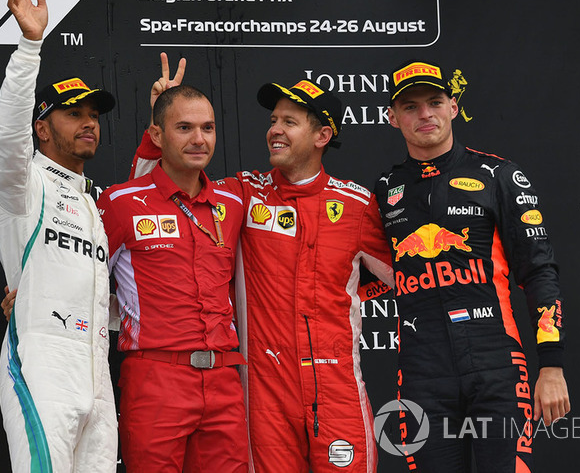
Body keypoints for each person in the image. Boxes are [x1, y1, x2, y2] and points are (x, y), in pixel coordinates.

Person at [133, 59, 394, 472]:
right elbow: (151, 196)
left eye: (289, 122)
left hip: (337, 387)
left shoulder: (356, 205)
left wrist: (349, 299)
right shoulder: (241, 194)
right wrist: (160, 126)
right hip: (265, 393)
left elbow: (407, 277)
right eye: (274, 120)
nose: (274, 129)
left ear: (322, 135)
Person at [373, 59, 570, 472]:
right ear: (392, 118)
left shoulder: (498, 175)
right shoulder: (384, 190)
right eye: (409, 107)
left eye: (434, 102)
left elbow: (538, 272)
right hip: (421, 369)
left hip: (495, 359)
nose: (424, 114)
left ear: (454, 107)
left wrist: (551, 365)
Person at [0, 0, 116, 473]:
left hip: (98, 374)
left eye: (94, 115)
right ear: (42, 127)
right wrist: (29, 48)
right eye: (71, 113)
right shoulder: (23, 185)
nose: (88, 122)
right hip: (42, 365)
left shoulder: (96, 201)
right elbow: (6, 139)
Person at [97, 84, 249, 472]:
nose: (199, 139)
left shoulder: (233, 205)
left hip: (224, 378)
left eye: (208, 128)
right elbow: (80, 275)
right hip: (156, 376)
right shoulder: (120, 203)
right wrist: (32, 295)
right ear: (156, 136)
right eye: (184, 127)